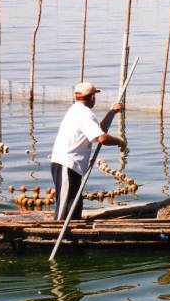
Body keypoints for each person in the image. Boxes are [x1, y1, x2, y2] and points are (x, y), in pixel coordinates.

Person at [51, 82, 126, 220]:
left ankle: (72, 237)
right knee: (64, 209)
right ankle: (56, 236)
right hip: (66, 165)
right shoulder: (84, 114)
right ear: (92, 97)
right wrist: (119, 141)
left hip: (70, 166)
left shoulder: (76, 110)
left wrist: (112, 112)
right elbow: (102, 138)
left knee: (74, 207)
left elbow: (99, 131)